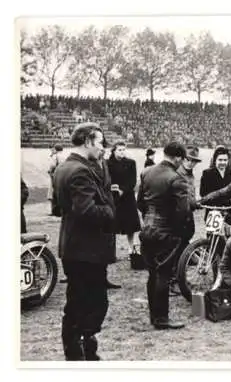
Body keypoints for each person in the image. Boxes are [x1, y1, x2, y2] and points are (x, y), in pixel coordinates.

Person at [54, 122, 116, 361]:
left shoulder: (66, 167)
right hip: (85, 249)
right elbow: (87, 210)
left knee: (81, 300)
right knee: (89, 301)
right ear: (88, 141)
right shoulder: (80, 171)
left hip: (77, 247)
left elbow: (62, 208)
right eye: (100, 142)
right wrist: (110, 211)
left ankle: (83, 347)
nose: (102, 148)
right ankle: (78, 351)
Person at [136, 142, 190, 330]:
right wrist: (178, 232)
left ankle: (154, 316)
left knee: (152, 274)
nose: (181, 163)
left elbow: (140, 203)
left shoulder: (147, 172)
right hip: (166, 231)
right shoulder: (177, 178)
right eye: (181, 159)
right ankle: (161, 318)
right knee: (163, 274)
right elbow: (182, 211)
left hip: (147, 230)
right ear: (177, 157)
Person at [175, 146, 202, 292]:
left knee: (184, 244)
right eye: (188, 159)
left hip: (188, 215)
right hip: (178, 215)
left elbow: (191, 194)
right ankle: (175, 280)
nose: (190, 163)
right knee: (177, 247)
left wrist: (195, 203)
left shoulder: (190, 175)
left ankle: (181, 278)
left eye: (194, 161)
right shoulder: (177, 173)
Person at [107, 141, 141, 256]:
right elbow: (107, 179)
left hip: (127, 197)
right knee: (111, 223)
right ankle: (111, 251)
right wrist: (113, 189)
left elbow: (132, 181)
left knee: (130, 224)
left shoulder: (131, 163)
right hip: (113, 196)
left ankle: (131, 248)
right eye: (119, 150)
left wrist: (123, 190)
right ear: (114, 151)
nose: (122, 152)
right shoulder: (107, 163)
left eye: (123, 149)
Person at [200, 147, 231, 225]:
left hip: (229, 211)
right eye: (220, 160)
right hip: (213, 211)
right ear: (215, 160)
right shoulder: (207, 174)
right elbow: (203, 193)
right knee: (213, 236)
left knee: (230, 235)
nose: (223, 162)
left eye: (225, 160)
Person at [48, 144, 64, 216]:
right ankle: (61, 210)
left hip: (55, 174)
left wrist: (50, 171)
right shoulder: (65, 155)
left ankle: (55, 210)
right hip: (63, 174)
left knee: (53, 192)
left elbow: (52, 165)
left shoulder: (56, 156)